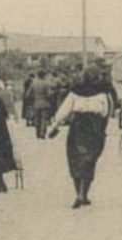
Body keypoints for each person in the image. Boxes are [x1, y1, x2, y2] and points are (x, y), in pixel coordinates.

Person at [48, 65, 114, 208]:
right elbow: (106, 112)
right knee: (90, 161)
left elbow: (63, 112)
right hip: (95, 129)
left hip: (77, 127)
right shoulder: (103, 93)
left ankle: (79, 193)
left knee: (75, 159)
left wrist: (55, 127)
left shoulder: (75, 92)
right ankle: (83, 194)